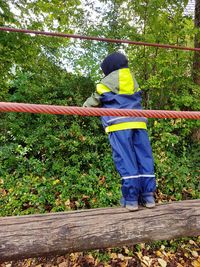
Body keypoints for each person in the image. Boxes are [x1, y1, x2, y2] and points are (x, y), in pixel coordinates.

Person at [83, 52, 156, 211]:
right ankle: (148, 196)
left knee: (126, 160)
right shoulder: (133, 80)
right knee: (144, 158)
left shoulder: (104, 84)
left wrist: (83, 108)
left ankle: (130, 200)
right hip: (139, 123)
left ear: (108, 69)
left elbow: (92, 102)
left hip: (118, 126)